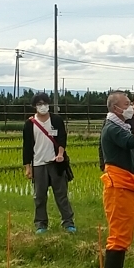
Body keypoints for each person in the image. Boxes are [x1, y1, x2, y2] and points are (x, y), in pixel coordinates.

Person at [99, 92, 134, 268]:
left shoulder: (118, 127)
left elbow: (131, 154)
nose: (130, 107)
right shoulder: (112, 129)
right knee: (118, 234)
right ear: (115, 109)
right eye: (126, 104)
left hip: (125, 185)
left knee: (124, 231)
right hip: (118, 187)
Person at [22, 92, 75, 234]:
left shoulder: (56, 120)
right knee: (39, 196)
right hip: (38, 163)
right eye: (39, 104)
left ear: (49, 104)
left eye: (44, 103)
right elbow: (27, 146)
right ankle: (41, 224)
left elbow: (62, 138)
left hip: (56, 163)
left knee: (61, 194)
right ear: (34, 106)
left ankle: (68, 223)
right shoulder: (29, 124)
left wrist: (60, 154)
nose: (42, 106)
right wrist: (28, 167)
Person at [99, 114, 134, 236]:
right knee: (118, 200)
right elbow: (102, 146)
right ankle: (118, 229)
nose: (128, 108)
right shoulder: (111, 125)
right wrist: (103, 164)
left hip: (133, 164)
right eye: (125, 104)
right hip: (117, 167)